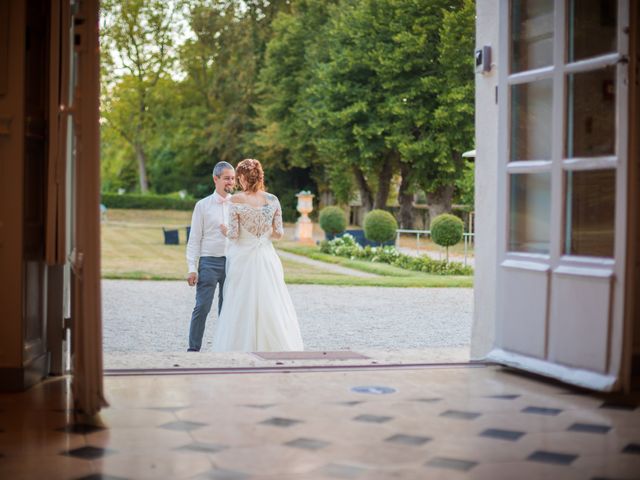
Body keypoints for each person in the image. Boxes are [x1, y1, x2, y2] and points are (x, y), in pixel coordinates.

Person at [213, 158, 304, 351]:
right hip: (266, 257)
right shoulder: (272, 200)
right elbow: (279, 233)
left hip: (243, 259)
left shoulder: (235, 199)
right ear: (259, 176)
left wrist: (224, 230)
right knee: (271, 300)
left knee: (240, 301)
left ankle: (239, 346)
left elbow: (234, 235)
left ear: (243, 178)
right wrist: (262, 235)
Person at [185, 161, 236, 352]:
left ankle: (223, 348)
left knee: (227, 309)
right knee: (202, 307)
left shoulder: (238, 204)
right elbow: (194, 239)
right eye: (227, 178)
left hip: (232, 262)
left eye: (232, 178)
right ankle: (193, 348)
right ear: (216, 179)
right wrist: (192, 267)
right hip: (209, 262)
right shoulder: (202, 206)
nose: (231, 182)